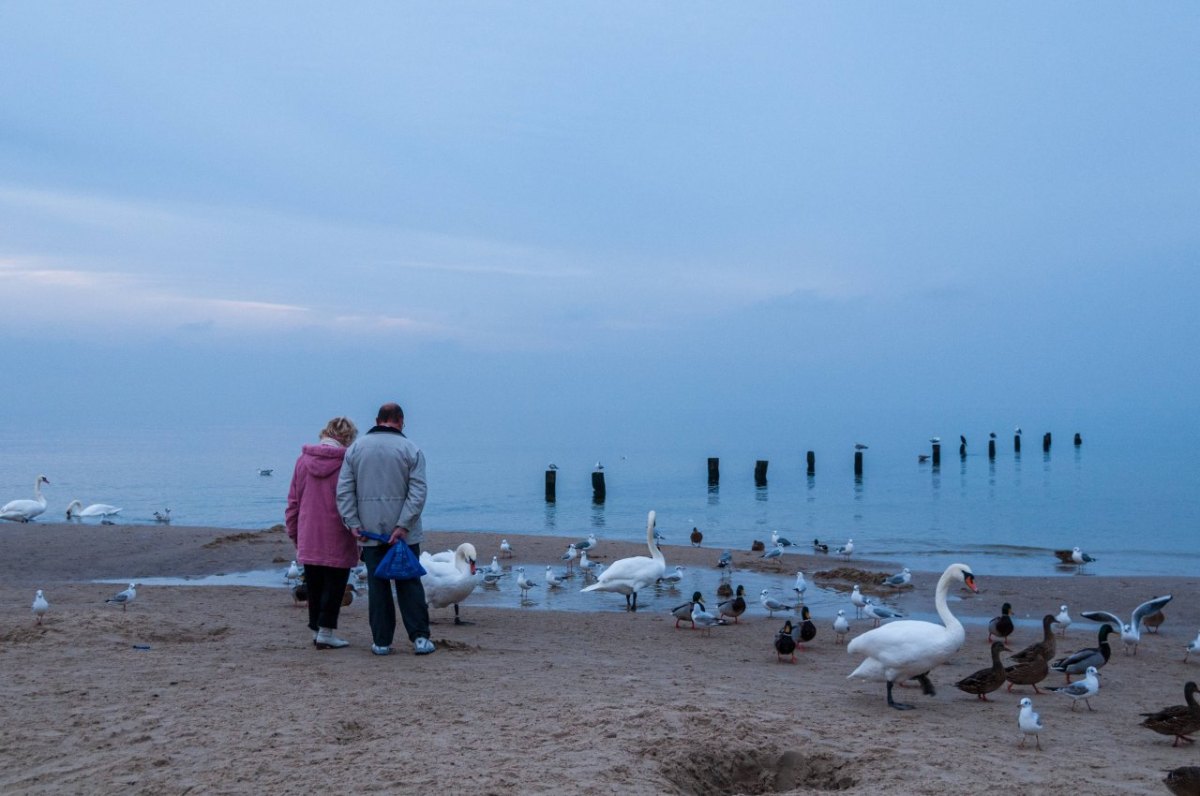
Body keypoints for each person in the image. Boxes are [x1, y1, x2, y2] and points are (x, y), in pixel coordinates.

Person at [337, 402, 434, 656]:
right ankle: (420, 638)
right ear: (400, 421)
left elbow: (344, 491)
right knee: (409, 584)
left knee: (377, 586)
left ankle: (381, 641)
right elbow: (418, 492)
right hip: (404, 534)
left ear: (377, 419)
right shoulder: (411, 449)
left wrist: (352, 523)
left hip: (369, 532)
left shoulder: (356, 449)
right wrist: (403, 525)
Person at [285, 416, 359, 650]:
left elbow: (293, 501)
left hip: (309, 532)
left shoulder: (302, 462)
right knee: (335, 584)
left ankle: (318, 630)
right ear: (348, 438)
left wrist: (294, 532)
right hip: (338, 531)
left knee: (314, 584)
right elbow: (352, 499)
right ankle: (326, 631)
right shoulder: (348, 463)